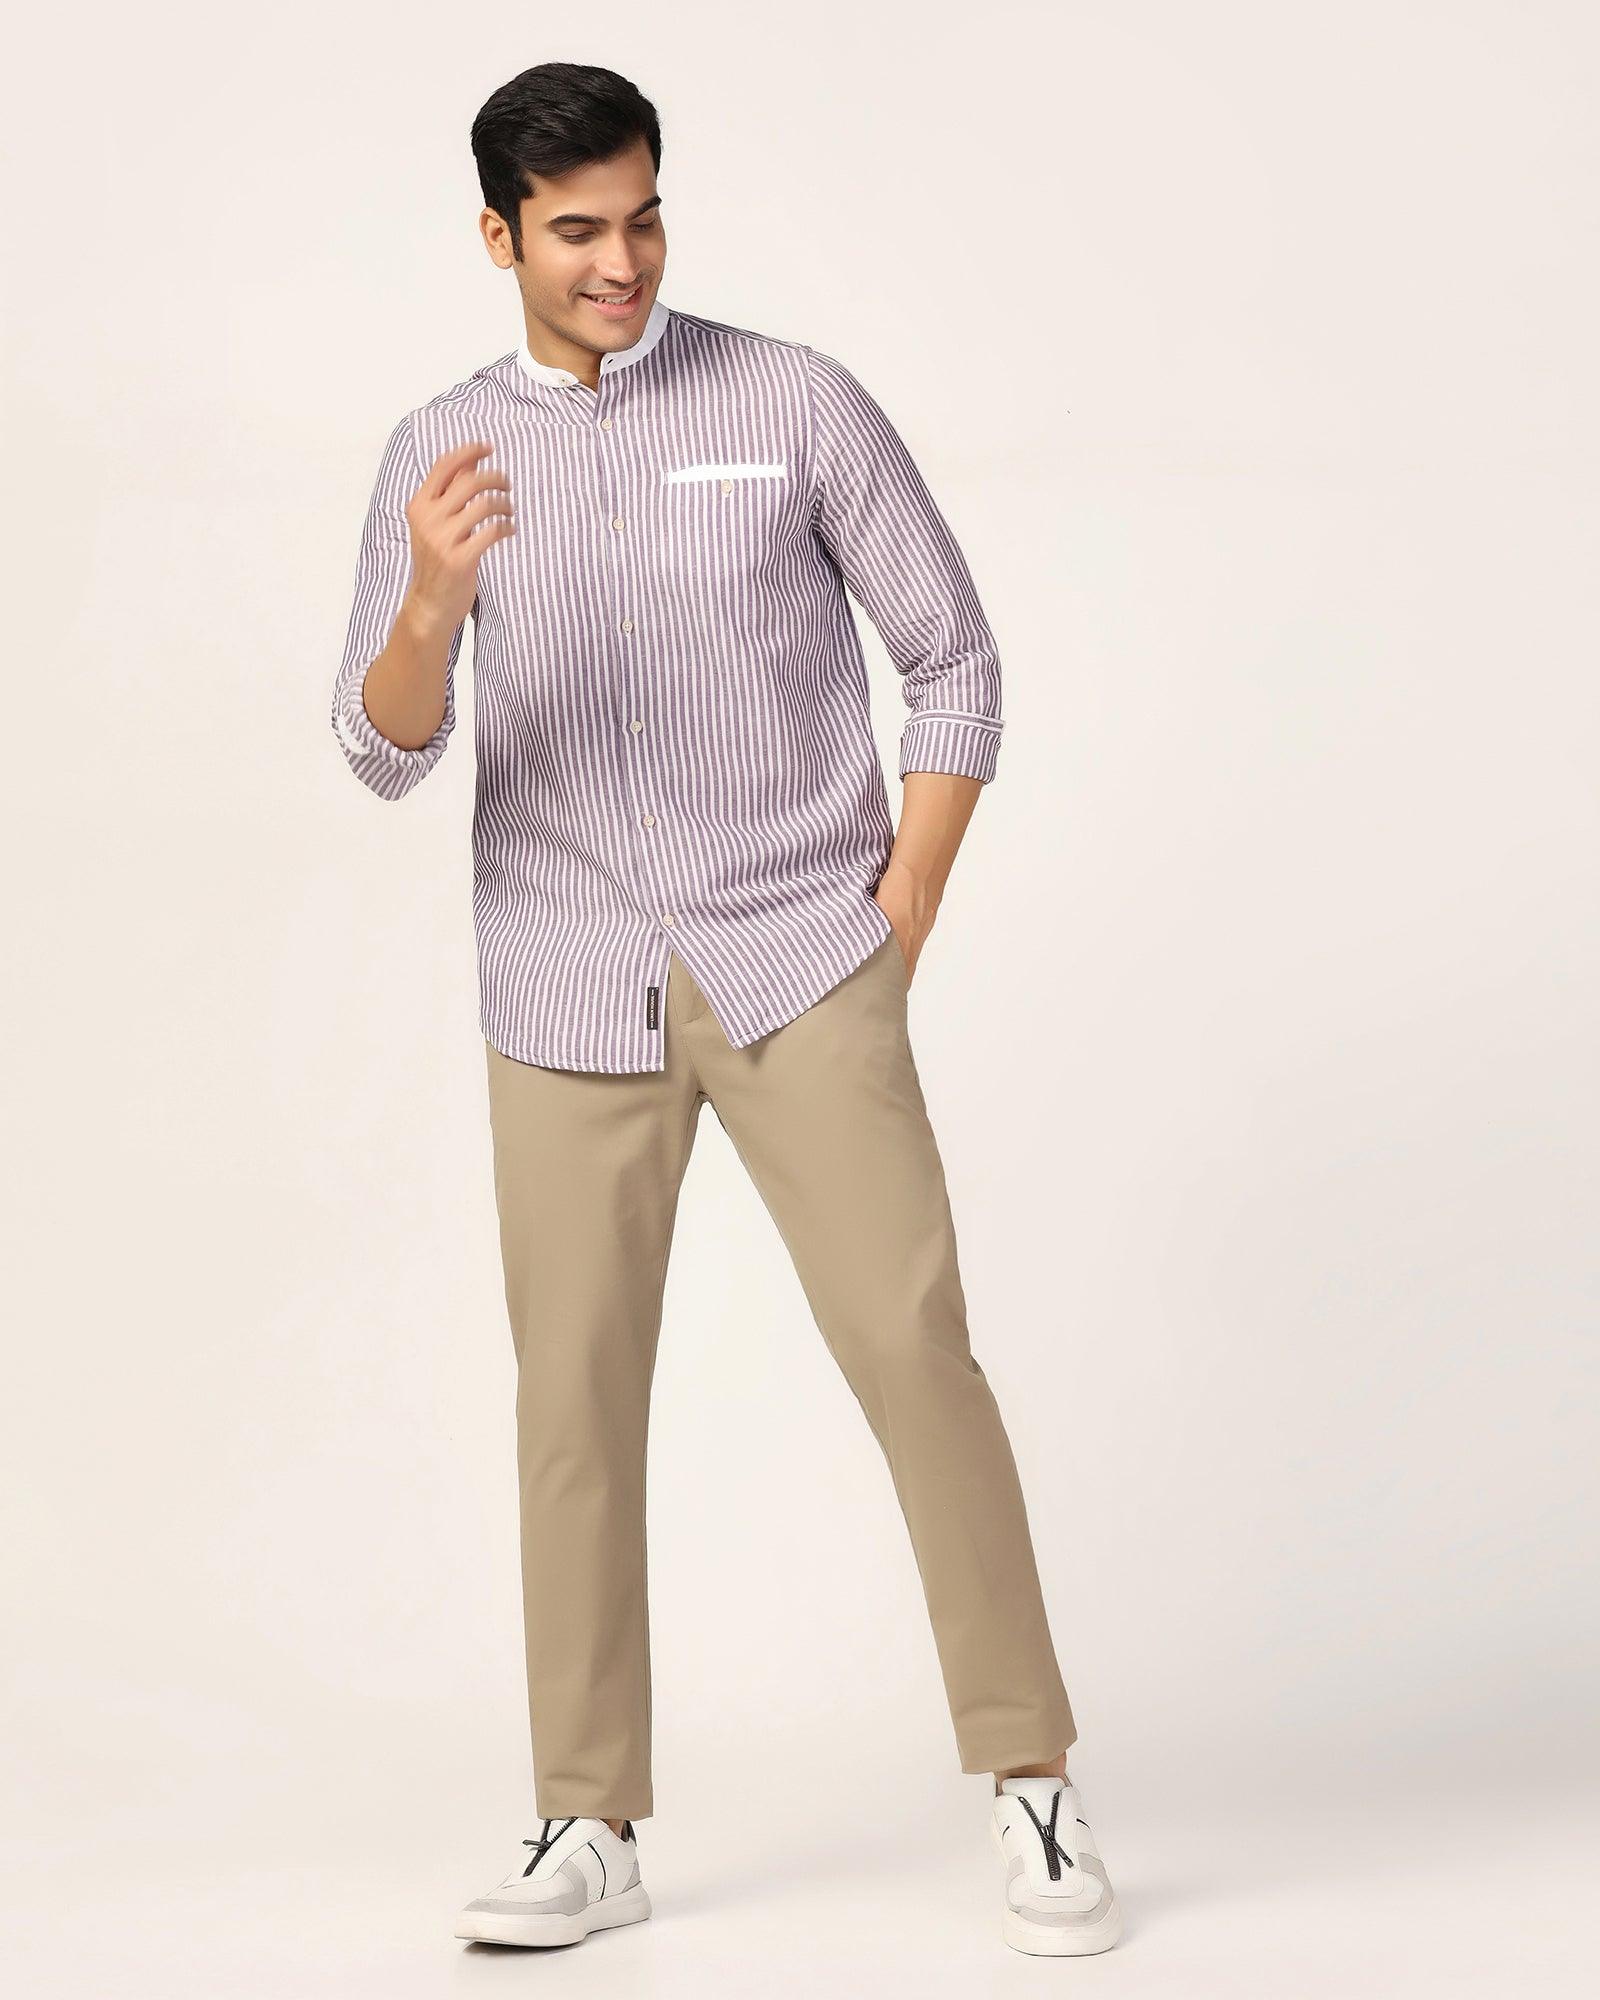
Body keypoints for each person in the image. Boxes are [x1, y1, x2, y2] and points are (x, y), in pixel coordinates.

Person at [330, 59, 1121, 1960]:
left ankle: (1030, 1778)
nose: (620, 262)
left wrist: (900, 910)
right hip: (561, 979)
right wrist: (431, 603)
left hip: (796, 956)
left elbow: (955, 659)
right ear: (500, 237)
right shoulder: (441, 452)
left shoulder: (795, 404)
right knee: (573, 1403)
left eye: (644, 218)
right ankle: (586, 1820)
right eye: (576, 231)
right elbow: (379, 748)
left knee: (912, 1346)